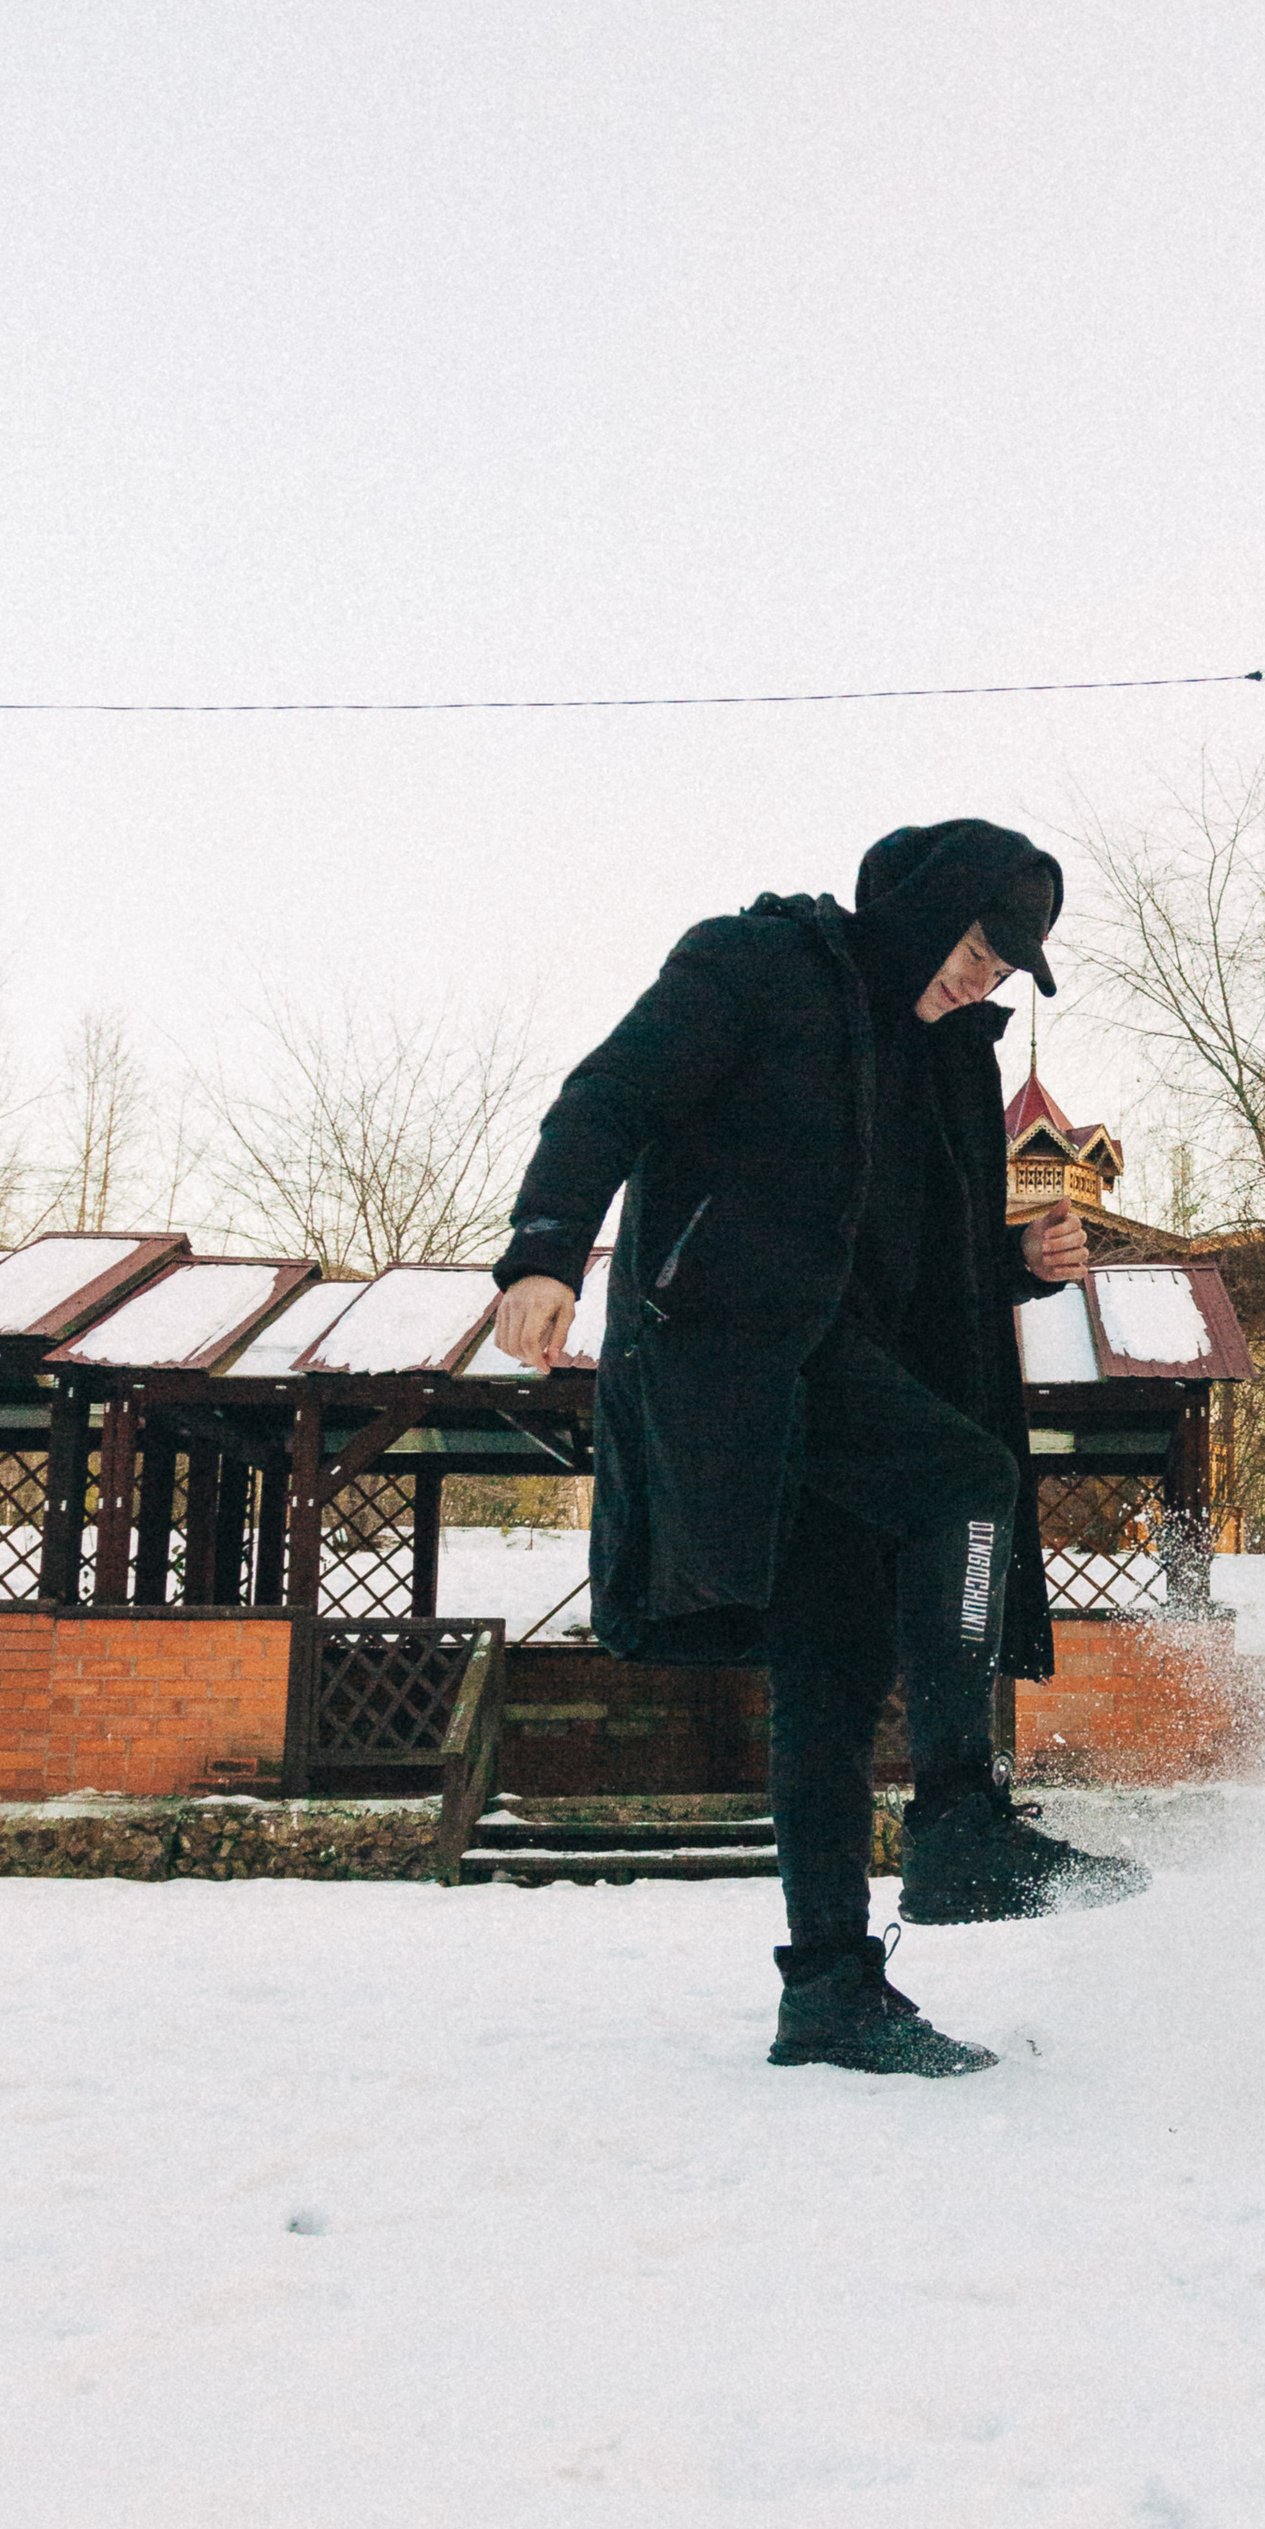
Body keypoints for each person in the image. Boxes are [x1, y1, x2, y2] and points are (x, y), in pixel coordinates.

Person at [491, 817, 1146, 2080]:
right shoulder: (757, 969)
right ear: (919, 912)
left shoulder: (942, 1060)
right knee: (968, 1479)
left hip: (856, 1386)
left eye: (1008, 965)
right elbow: (608, 1095)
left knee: (830, 1686)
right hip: (740, 1362)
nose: (985, 977)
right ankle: (959, 1820)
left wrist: (1016, 1262)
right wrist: (544, 1251)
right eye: (974, 945)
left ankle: (830, 1991)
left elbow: (924, 1259)